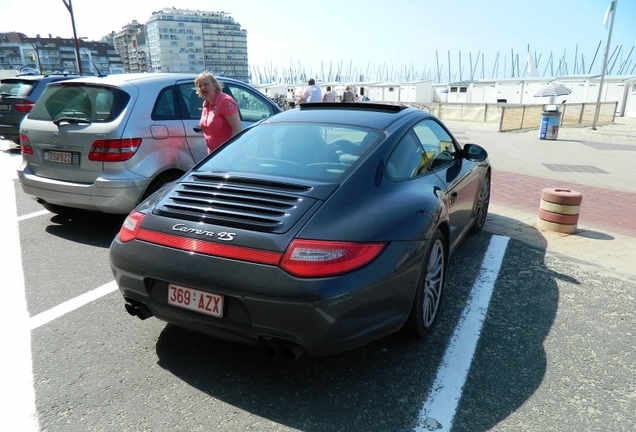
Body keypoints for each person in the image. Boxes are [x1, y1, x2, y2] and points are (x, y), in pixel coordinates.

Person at [194, 71, 243, 154]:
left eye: (206, 84)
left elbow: (237, 128)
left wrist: (228, 151)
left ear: (215, 85)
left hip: (229, 154)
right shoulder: (206, 104)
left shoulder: (225, 101)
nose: (203, 88)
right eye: (200, 86)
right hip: (213, 155)